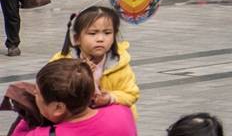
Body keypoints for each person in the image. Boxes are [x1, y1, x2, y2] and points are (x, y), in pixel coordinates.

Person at [3, 58, 136, 135]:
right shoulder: (122, 112)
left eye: (37, 93)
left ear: (58, 108)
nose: (34, 94)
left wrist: (27, 114)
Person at [52, 6, 137, 109]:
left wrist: (109, 98)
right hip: (76, 120)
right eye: (92, 33)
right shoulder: (61, 62)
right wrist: (77, 74)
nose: (100, 39)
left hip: (110, 121)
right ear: (77, 38)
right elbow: (51, 93)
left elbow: (131, 94)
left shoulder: (118, 64)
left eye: (107, 33)